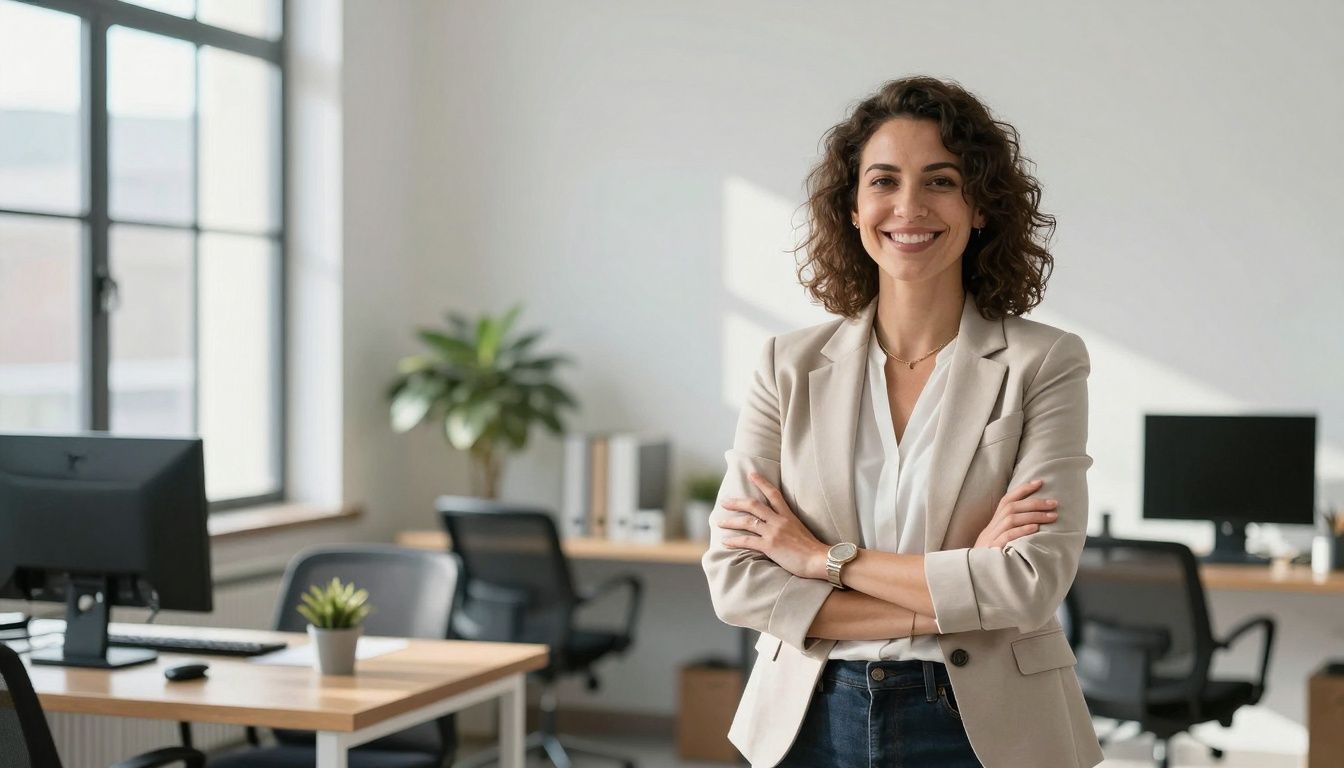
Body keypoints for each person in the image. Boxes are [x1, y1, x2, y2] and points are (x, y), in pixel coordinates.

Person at [701, 76, 1103, 768]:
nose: (909, 206)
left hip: (985, 727)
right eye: (884, 181)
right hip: (809, 719)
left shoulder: (1045, 363)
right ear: (853, 209)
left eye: (941, 180)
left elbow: (1029, 583)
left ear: (980, 207)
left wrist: (822, 561)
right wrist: (958, 594)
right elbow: (737, 581)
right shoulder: (785, 366)